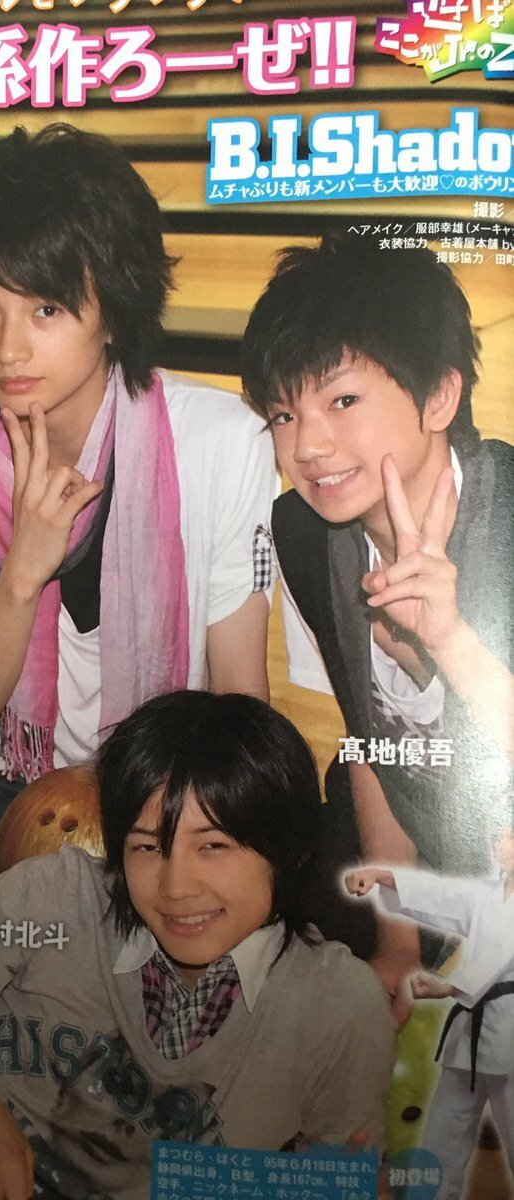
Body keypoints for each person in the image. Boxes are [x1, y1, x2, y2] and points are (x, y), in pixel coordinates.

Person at [0, 690, 394, 1200]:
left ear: (286, 850)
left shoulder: (339, 1009)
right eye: (147, 847)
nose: (176, 887)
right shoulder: (56, 898)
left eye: (213, 847)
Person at [0, 124, 278, 881]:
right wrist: (22, 572)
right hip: (23, 797)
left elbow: (242, 700)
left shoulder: (222, 442)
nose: (8, 349)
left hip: (183, 796)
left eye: (46, 309)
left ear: (114, 310)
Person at [241, 234, 514, 1016]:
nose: (308, 446)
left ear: (439, 397)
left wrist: (450, 638)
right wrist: (396, 940)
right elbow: (368, 736)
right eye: (284, 412)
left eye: (342, 401)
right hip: (406, 825)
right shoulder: (305, 532)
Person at [345, 826, 514, 1200]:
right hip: (469, 1032)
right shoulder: (489, 892)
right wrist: (382, 876)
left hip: (509, 1034)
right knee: (442, 1139)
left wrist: (449, 987)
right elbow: (441, 895)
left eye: (510, 836)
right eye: (500, 835)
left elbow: (503, 947)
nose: (500, 843)